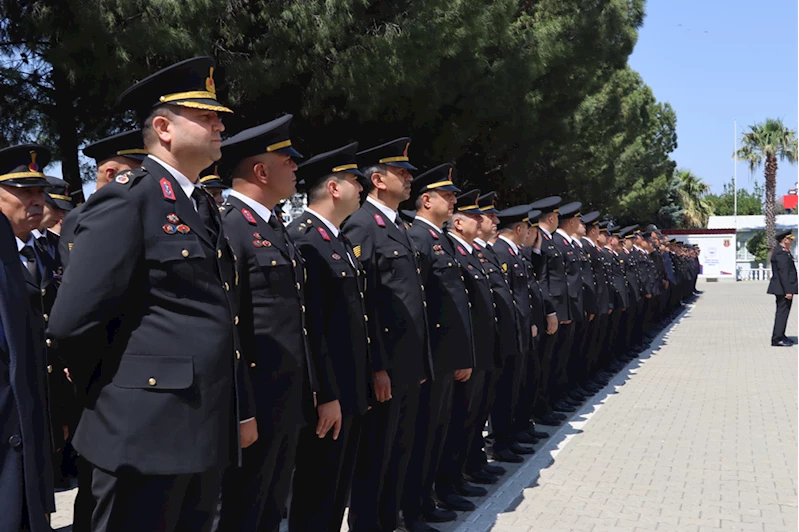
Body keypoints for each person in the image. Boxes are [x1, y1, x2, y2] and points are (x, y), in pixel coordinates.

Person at [48, 57, 254, 532]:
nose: (220, 124)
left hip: (197, 429)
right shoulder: (130, 197)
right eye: (206, 116)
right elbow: (72, 323)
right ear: (163, 127)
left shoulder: (197, 202)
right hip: (141, 430)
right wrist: (119, 394)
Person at [216, 114, 312, 532]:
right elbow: (229, 326)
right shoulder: (230, 224)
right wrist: (241, 409)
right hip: (256, 400)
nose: (295, 167)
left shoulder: (273, 226)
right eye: (286, 159)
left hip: (286, 396)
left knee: (273, 506)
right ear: (260, 170)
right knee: (244, 509)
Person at [344, 138, 433, 532]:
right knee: (375, 456)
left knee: (400, 450)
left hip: (408, 363)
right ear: (377, 180)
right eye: (402, 172)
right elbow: (367, 302)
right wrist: (378, 366)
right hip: (386, 366)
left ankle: (389, 520)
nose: (409, 178)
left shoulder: (399, 226)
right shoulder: (363, 223)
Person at [286, 142, 373, 532]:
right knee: (317, 490)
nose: (363, 187)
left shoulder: (335, 238)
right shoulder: (305, 238)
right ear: (335, 188)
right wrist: (328, 394)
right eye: (356, 181)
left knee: (336, 488)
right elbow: (313, 327)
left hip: (350, 387)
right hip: (330, 392)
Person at [402, 164, 473, 531]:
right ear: (425, 200)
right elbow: (421, 305)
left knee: (436, 433)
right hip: (431, 358)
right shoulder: (416, 237)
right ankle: (412, 509)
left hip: (446, 357)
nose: (454, 201)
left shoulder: (440, 238)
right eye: (447, 196)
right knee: (422, 436)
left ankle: (426, 499)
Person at [0, 150, 55, 532]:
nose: (36, 200)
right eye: (23, 191)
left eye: (40, 191)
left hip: (32, 412)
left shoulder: (35, 253)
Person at [436, 189, 497, 511]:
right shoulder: (451, 249)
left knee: (469, 418)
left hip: (475, 349)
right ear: (458, 224)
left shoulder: (468, 252)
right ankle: (446, 484)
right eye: (474, 216)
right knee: (454, 422)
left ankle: (458, 476)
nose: (482, 221)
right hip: (457, 354)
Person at [60, 129, 147, 269]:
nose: (147, 179)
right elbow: (82, 273)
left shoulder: (145, 210)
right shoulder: (81, 216)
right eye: (138, 173)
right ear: (111, 175)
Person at [489, 204, 536, 458]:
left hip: (519, 329)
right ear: (519, 229)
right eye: (528, 228)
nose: (529, 233)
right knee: (505, 389)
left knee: (515, 386)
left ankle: (510, 436)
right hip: (508, 331)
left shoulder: (514, 253)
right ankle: (500, 441)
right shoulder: (501, 253)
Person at [767, 229, 798, 347]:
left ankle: (781, 335)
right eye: (790, 240)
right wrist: (788, 290)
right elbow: (783, 273)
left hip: (783, 288)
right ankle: (777, 339)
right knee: (782, 313)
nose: (791, 242)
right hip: (783, 289)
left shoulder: (784, 251)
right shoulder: (780, 253)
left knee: (784, 313)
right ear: (785, 240)